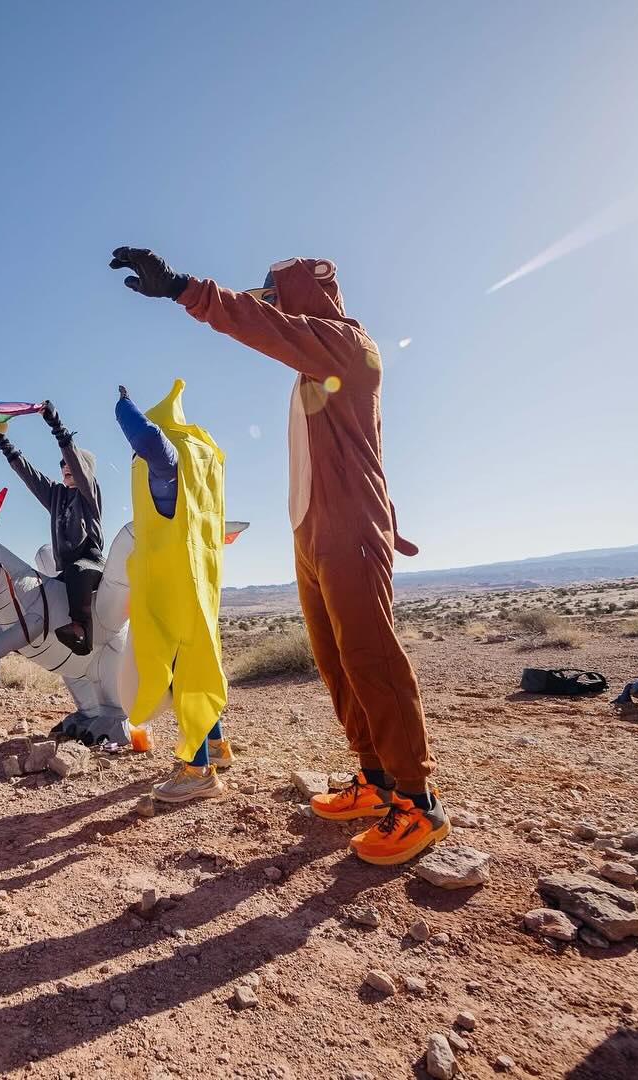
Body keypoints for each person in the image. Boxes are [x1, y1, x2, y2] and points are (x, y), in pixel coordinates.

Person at [109, 247, 445, 865]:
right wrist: (387, 520)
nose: (268, 307)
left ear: (301, 296)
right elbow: (362, 446)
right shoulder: (317, 364)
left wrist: (186, 288)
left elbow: (265, 329)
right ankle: (376, 781)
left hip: (345, 532)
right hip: (314, 530)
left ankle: (418, 802)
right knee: (336, 661)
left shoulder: (345, 344)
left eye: (274, 296)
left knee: (370, 655)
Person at [117, 381, 233, 803]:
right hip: (201, 586)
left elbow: (149, 440)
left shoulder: (168, 469)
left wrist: (123, 407)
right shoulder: (202, 465)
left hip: (170, 590)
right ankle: (217, 748)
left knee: (183, 674)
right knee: (200, 662)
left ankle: (197, 771)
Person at [0, 403, 103, 655]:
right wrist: (1, 441)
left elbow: (78, 465)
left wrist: (56, 426)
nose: (64, 466)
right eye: (61, 463)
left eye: (70, 462)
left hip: (91, 565)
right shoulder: (56, 495)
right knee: (44, 589)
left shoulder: (88, 493)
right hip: (67, 570)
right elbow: (29, 475)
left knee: (78, 570)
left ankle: (82, 631)